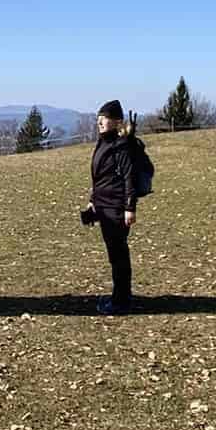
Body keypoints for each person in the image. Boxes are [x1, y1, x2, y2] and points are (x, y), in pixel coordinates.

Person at [81, 99, 138, 314]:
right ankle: (119, 297)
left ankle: (121, 302)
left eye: (104, 119)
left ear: (116, 122)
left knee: (119, 256)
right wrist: (92, 201)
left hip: (116, 208)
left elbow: (129, 178)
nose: (100, 122)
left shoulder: (121, 147)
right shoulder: (103, 143)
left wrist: (130, 208)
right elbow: (100, 178)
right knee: (115, 255)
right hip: (103, 206)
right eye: (98, 119)